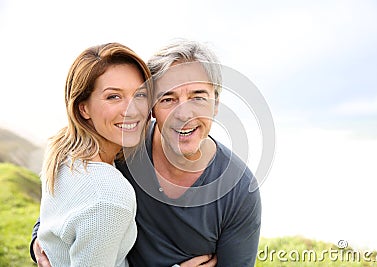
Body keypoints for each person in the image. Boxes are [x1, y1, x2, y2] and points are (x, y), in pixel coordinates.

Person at [31, 39, 260, 266]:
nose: (183, 114)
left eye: (198, 97)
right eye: (168, 99)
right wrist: (39, 241)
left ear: (216, 104)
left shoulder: (240, 190)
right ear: (153, 107)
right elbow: (73, 204)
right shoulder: (124, 148)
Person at [34, 42, 151, 266]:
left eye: (140, 95)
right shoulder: (108, 197)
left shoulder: (64, 147)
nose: (132, 109)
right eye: (113, 97)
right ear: (83, 108)